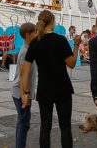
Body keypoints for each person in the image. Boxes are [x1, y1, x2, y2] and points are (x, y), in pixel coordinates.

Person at [22, 10, 76, 148]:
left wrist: (26, 92)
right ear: (53, 22)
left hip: (44, 88)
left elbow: (26, 69)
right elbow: (71, 63)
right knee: (65, 127)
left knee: (45, 126)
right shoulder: (60, 40)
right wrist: (76, 45)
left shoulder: (35, 42)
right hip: (62, 87)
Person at [11, 23, 38, 148]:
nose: (36, 34)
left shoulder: (29, 49)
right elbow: (23, 75)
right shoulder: (25, 52)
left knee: (22, 122)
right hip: (20, 92)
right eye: (34, 32)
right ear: (27, 35)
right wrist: (24, 95)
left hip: (22, 92)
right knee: (24, 124)